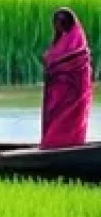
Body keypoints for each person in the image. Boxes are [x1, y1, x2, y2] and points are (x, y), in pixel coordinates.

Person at [41, 8, 92, 149]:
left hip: (74, 89)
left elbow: (76, 62)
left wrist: (54, 64)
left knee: (70, 117)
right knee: (55, 117)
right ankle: (53, 144)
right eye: (56, 23)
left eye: (61, 22)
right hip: (57, 90)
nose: (58, 26)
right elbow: (51, 59)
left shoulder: (76, 40)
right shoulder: (59, 41)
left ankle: (68, 144)